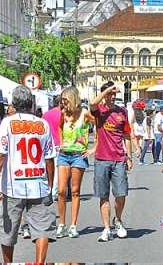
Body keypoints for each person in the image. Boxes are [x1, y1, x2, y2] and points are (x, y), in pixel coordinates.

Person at [0, 86, 56, 263]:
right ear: (31, 103)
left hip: (13, 186)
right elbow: (49, 158)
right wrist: (50, 184)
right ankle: (40, 262)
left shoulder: (8, 123)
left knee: (8, 230)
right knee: (42, 228)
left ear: (14, 104)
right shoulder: (43, 124)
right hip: (39, 184)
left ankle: (8, 263)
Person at [90, 81, 137, 242]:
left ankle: (117, 220)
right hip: (102, 158)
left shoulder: (122, 112)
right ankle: (106, 228)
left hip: (118, 158)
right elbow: (92, 103)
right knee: (103, 195)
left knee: (121, 194)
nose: (112, 96)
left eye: (114, 93)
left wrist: (129, 157)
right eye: (109, 93)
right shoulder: (99, 110)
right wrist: (107, 89)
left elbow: (127, 136)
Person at [56, 87, 94, 238]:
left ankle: (73, 225)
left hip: (79, 155)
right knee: (60, 190)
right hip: (64, 154)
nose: (62, 102)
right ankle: (61, 224)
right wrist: (61, 142)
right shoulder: (63, 113)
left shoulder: (84, 113)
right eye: (62, 100)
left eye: (65, 99)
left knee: (75, 191)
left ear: (72, 98)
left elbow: (98, 124)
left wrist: (94, 148)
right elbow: (59, 126)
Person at [42, 95, 61, 200]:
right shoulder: (63, 114)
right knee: (57, 171)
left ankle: (49, 190)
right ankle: (54, 192)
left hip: (48, 145)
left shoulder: (46, 115)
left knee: (48, 169)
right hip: (59, 145)